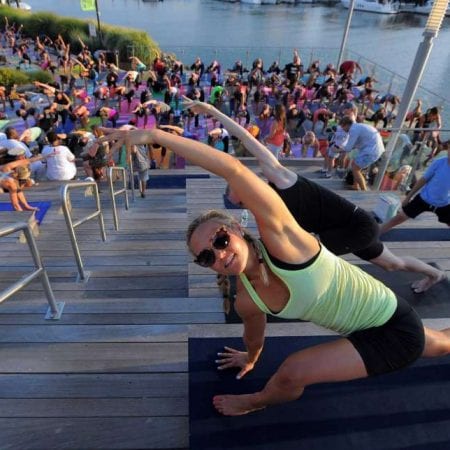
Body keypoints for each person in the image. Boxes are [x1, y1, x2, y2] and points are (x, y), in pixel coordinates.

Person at [99, 121, 450, 418]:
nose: (219, 255)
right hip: (372, 324)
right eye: (206, 257)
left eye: (220, 240)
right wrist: (250, 358)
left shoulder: (286, 243)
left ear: (237, 230)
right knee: (441, 344)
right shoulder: (245, 299)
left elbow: (234, 170)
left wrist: (155, 136)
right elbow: (255, 334)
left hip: (391, 327)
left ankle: (255, 401)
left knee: (293, 371)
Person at [182, 98, 446, 294]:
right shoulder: (264, 209)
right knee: (392, 264)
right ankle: (435, 273)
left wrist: (212, 111)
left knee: (309, 253)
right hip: (342, 231)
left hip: (357, 226)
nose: (241, 189)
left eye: (237, 189)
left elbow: (248, 141)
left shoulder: (282, 180)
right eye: (238, 196)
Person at [380, 143, 450, 235]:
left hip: (444, 204)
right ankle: (377, 233)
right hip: (424, 199)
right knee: (399, 217)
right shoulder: (439, 163)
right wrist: (408, 198)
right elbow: (423, 180)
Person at [338, 116, 385, 191]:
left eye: (342, 127)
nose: (342, 129)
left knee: (356, 169)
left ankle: (364, 191)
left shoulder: (353, 130)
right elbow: (354, 145)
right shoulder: (358, 126)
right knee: (355, 164)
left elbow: (348, 148)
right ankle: (355, 186)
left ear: (346, 124)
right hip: (374, 149)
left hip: (371, 151)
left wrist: (337, 149)